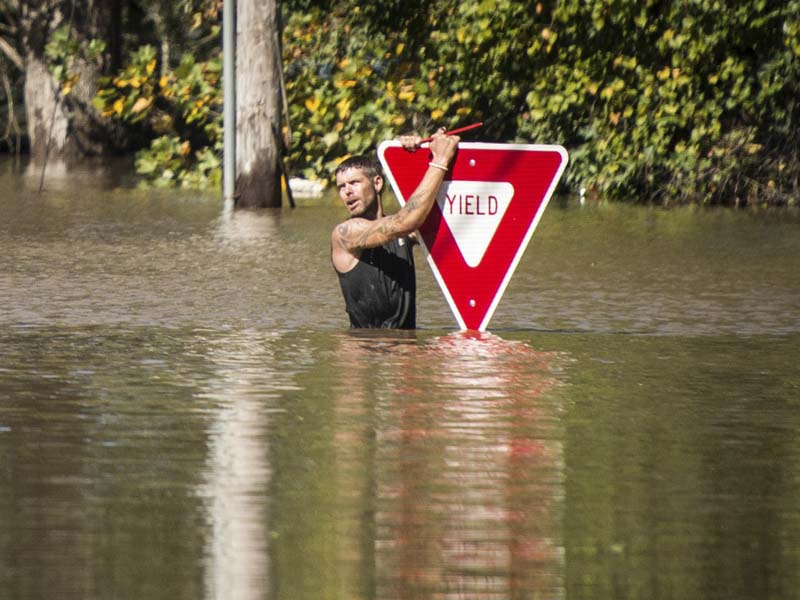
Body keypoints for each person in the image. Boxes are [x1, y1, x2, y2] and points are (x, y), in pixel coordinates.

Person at [331, 128, 460, 329]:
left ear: (377, 183)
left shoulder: (406, 230)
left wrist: (420, 152)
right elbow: (405, 221)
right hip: (365, 345)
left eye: (354, 182)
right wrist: (440, 160)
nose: (347, 191)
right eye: (341, 186)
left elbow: (438, 219)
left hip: (405, 344)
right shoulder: (345, 234)